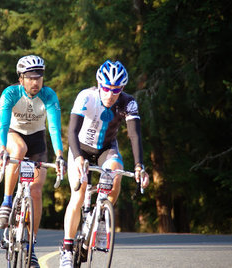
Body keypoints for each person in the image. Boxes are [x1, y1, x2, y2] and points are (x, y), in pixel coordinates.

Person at [59, 60, 150, 268]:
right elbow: (72, 131)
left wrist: (139, 166)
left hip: (106, 149)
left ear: (122, 89)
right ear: (99, 84)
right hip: (80, 149)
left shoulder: (128, 103)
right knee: (80, 192)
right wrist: (79, 157)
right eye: (107, 88)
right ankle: (66, 248)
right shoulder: (86, 97)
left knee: (116, 172)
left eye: (116, 89)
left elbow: (135, 136)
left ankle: (100, 217)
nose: (110, 94)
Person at [0, 55, 65, 268]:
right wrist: (2, 151)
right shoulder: (10, 94)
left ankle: (31, 247)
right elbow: (2, 125)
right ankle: (7, 202)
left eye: (39, 77)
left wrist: (60, 155)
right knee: (19, 148)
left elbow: (53, 128)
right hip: (13, 135)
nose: (36, 82)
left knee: (35, 191)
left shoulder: (49, 95)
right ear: (21, 78)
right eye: (30, 77)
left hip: (38, 140)